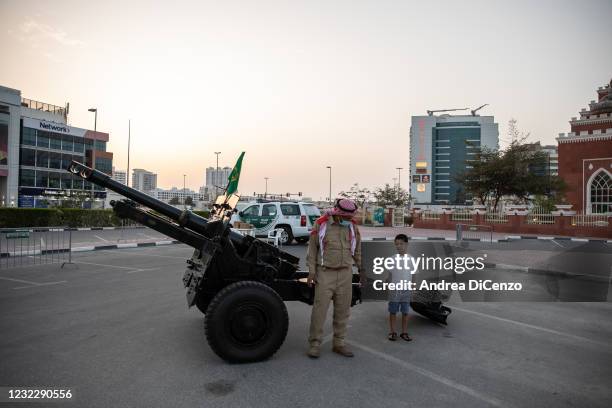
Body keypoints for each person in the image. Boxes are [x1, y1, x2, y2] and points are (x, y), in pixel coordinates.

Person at [306, 198, 365, 358]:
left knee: (343, 311)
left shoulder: (352, 227)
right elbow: (312, 250)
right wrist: (311, 272)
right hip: (325, 273)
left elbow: (357, 250)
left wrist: (362, 270)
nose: (348, 220)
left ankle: (339, 343)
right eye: (346, 218)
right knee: (319, 311)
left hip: (345, 273)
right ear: (338, 214)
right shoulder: (322, 224)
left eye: (350, 217)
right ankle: (315, 344)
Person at [387, 234, 413, 342]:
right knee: (393, 311)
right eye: (396, 244)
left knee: (405, 312)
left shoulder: (411, 259)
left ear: (406, 244)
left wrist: (413, 288)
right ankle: (393, 332)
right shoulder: (392, 259)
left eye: (401, 243)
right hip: (394, 290)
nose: (399, 246)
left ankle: (404, 332)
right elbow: (389, 275)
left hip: (406, 290)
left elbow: (414, 274)